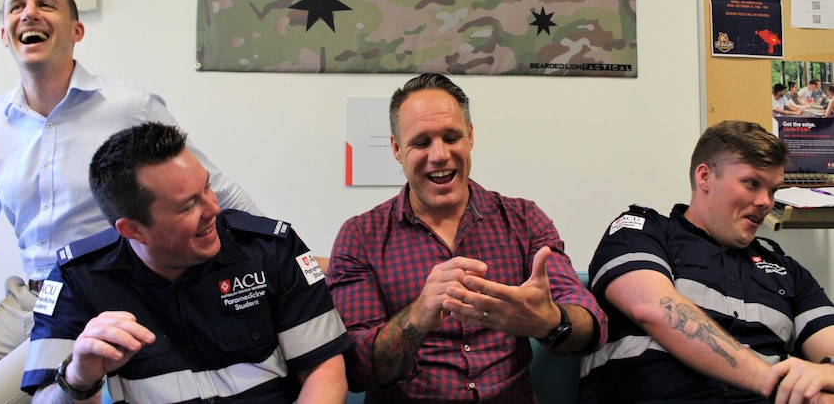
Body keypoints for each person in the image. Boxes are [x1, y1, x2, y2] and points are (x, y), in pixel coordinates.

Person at [0, 0, 260, 403]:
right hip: (27, 300)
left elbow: (211, 190)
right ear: (5, 33)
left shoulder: (129, 107)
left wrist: (284, 257)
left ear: (76, 29)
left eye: (45, 4)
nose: (29, 13)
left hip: (97, 300)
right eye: (17, 6)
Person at [21, 122, 349, 403]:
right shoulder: (78, 280)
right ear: (133, 229)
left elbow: (324, 370)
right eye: (188, 206)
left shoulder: (271, 249)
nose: (213, 210)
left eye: (207, 187)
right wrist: (79, 375)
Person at [327, 74, 607, 403]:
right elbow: (358, 371)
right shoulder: (360, 237)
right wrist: (417, 316)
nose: (440, 155)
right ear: (397, 149)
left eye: (451, 137)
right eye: (421, 142)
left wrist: (549, 321)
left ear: (470, 136)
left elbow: (593, 327)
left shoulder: (524, 220)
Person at [579, 120, 834, 403]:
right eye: (752, 183)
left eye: (772, 190)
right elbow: (653, 309)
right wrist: (774, 383)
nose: (766, 202)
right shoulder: (641, 230)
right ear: (705, 177)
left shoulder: (786, 269)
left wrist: (827, 375)